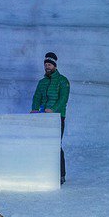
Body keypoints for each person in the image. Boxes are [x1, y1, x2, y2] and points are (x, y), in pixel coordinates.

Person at [30, 52, 71, 184]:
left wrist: (53, 110)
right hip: (43, 117)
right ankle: (44, 172)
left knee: (55, 145)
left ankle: (61, 174)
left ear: (54, 66)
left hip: (57, 118)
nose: (47, 67)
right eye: (45, 64)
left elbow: (63, 99)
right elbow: (36, 97)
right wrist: (35, 109)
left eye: (49, 64)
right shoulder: (42, 82)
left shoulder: (63, 81)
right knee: (43, 144)